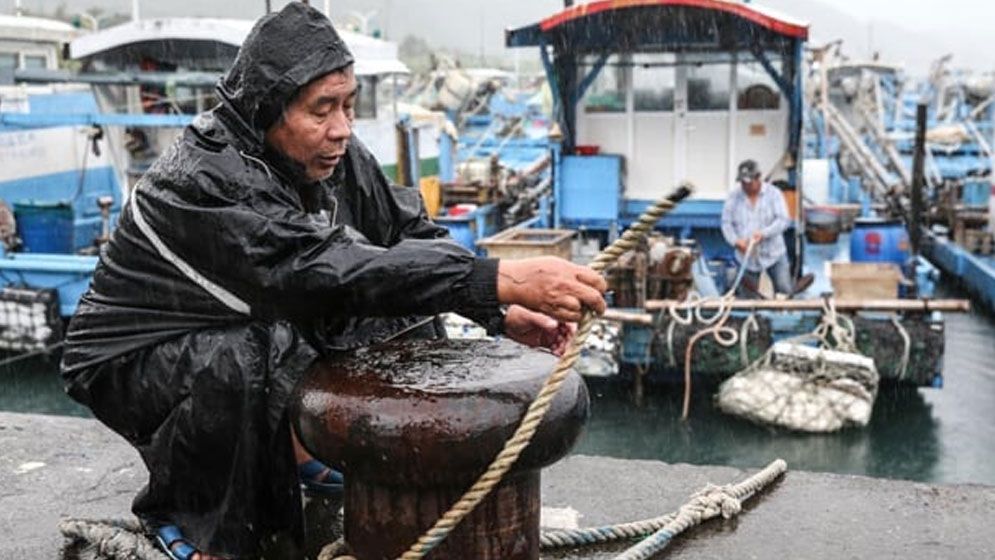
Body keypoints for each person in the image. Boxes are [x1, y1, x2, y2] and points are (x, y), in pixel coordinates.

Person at [60, 4, 606, 560]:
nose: (342, 128)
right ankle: (192, 521)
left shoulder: (326, 149)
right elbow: (319, 273)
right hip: (127, 358)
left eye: (348, 105)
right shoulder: (206, 180)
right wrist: (500, 279)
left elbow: (408, 233)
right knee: (237, 356)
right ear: (268, 109)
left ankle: (319, 453)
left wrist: (497, 313)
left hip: (246, 314)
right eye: (322, 109)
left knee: (405, 296)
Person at [721, 159, 809, 298]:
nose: (746, 186)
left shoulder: (774, 194)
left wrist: (764, 234)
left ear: (758, 178)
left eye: (749, 182)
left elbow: (783, 219)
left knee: (784, 292)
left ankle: (784, 317)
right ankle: (752, 319)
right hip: (747, 258)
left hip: (774, 254)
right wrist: (736, 242)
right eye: (743, 183)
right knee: (748, 298)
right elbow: (726, 223)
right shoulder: (733, 197)